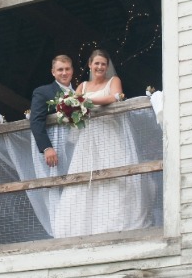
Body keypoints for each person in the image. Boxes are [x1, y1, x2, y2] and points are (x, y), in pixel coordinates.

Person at [53, 49, 151, 237]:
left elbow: (113, 97)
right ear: (90, 65)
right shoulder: (82, 86)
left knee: (114, 177)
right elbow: (72, 105)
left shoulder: (113, 81)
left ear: (107, 67)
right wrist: (74, 104)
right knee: (83, 180)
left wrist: (84, 102)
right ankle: (81, 227)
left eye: (103, 64)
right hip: (88, 139)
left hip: (109, 135)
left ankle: (116, 223)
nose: (99, 67)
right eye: (96, 63)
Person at [30, 54, 74, 168]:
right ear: (53, 72)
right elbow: (36, 120)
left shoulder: (80, 92)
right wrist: (47, 147)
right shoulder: (42, 92)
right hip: (56, 149)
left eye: (67, 69)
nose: (64, 73)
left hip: (78, 147)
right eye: (60, 69)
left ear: (72, 70)